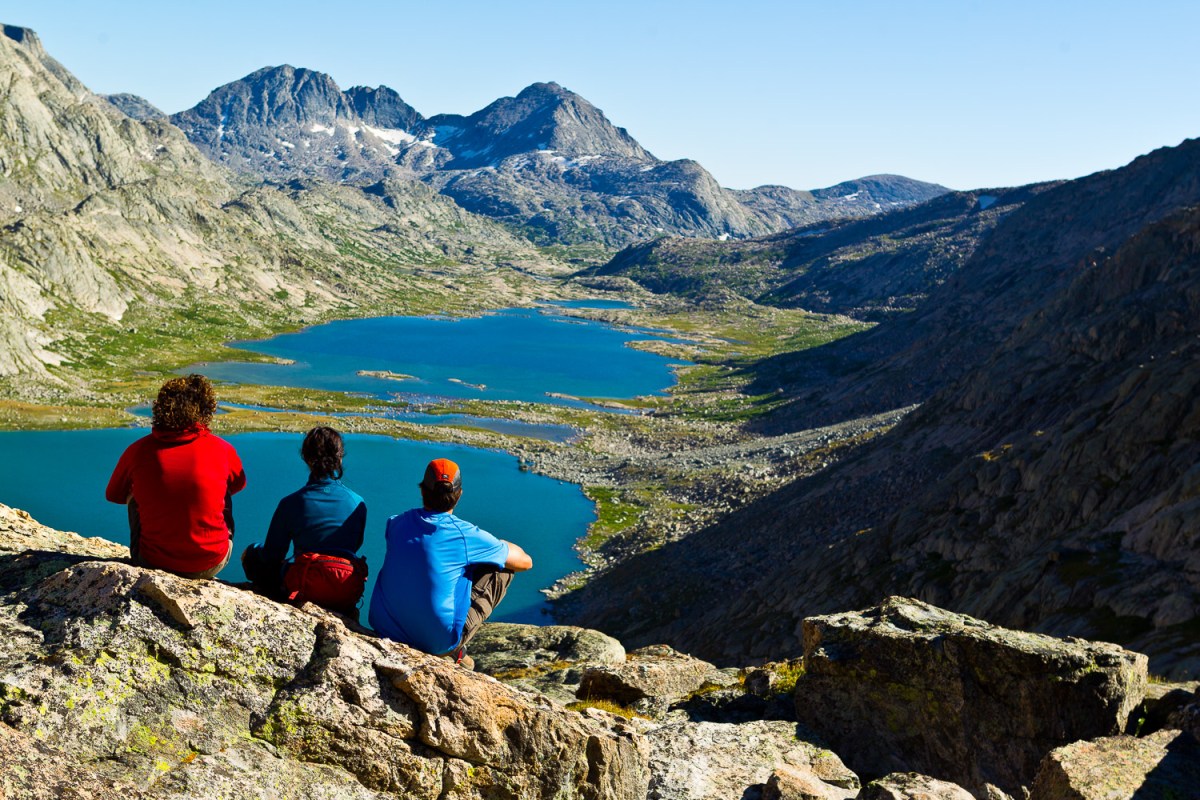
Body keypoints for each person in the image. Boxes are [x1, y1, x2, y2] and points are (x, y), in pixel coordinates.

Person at [369, 457, 532, 667]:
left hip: (385, 627)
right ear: (459, 494)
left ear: (422, 490)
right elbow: (525, 562)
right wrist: (496, 545)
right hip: (436, 643)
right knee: (502, 570)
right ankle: (454, 651)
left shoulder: (395, 523)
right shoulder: (466, 535)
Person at [105, 374, 245, 579]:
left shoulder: (138, 450)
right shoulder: (222, 449)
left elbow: (114, 495)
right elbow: (238, 483)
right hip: (211, 563)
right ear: (206, 410)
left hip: (151, 562)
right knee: (223, 489)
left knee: (134, 493)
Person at [242, 426, 368, 614]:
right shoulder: (357, 503)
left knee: (252, 554)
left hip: (304, 584)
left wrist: (254, 550)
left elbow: (272, 555)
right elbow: (354, 546)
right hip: (344, 587)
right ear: (339, 458)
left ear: (306, 458)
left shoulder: (291, 503)